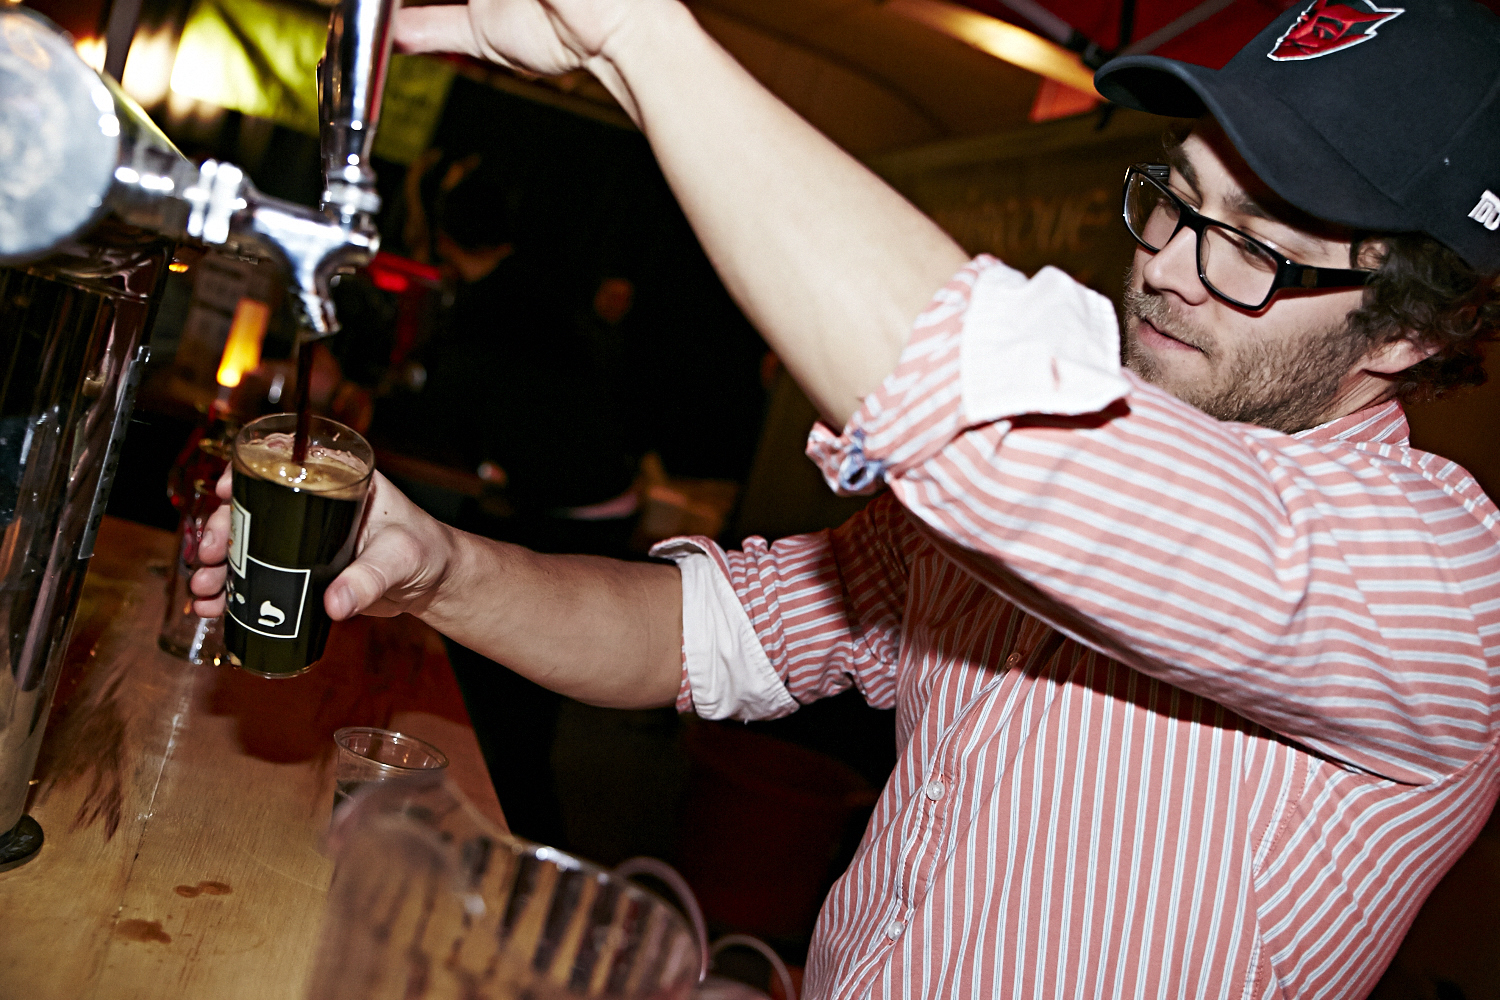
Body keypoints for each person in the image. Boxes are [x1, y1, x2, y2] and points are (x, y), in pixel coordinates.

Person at [194, 0, 1500, 995]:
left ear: (1406, 330)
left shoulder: (1444, 592)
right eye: (1172, 199)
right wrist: (439, 571)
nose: (1163, 265)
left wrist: (639, 39)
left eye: (1251, 248)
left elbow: (961, 393)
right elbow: (705, 639)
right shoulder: (1081, 461)